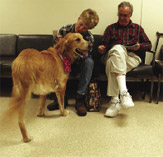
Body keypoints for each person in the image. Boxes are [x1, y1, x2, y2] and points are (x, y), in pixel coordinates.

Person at [98, 1, 152, 117]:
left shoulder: (137, 29)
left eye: (125, 15)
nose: (122, 18)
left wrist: (140, 46)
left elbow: (149, 45)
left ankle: (114, 101)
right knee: (117, 49)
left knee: (111, 65)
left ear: (130, 15)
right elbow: (104, 46)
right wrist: (101, 48)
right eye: (120, 15)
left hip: (132, 57)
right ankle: (124, 92)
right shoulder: (110, 28)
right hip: (112, 54)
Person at [47, 9, 99, 116]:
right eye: (81, 24)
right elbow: (55, 50)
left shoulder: (89, 38)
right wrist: (58, 42)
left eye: (85, 28)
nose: (81, 28)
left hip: (78, 64)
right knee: (54, 61)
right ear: (78, 19)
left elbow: (86, 55)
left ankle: (80, 99)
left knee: (89, 62)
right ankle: (60, 99)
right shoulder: (64, 29)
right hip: (62, 62)